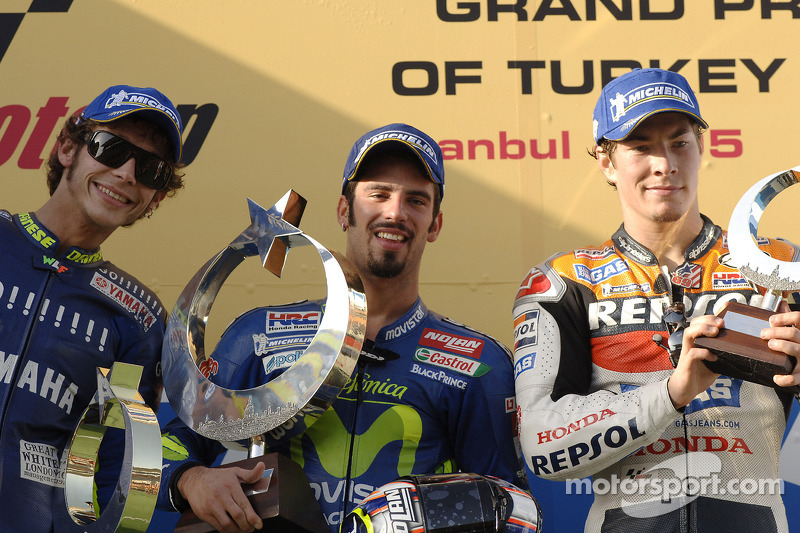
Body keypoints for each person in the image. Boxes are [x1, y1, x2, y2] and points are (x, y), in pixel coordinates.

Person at [158, 123, 525, 533]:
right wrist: (193, 479)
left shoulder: (478, 363)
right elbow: (171, 445)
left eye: (416, 200)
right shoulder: (258, 336)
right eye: (379, 194)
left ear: (434, 224)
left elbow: (510, 508)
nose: (395, 212)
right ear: (344, 211)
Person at [513, 67, 800, 532]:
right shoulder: (565, 281)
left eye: (679, 142)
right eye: (641, 147)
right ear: (607, 162)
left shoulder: (779, 265)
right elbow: (542, 443)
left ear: (700, 148)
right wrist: (673, 392)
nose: (664, 163)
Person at [0, 84, 184, 530]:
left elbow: (116, 468)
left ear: (155, 198)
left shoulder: (139, 318)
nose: (125, 173)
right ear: (67, 148)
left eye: (151, 170)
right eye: (110, 147)